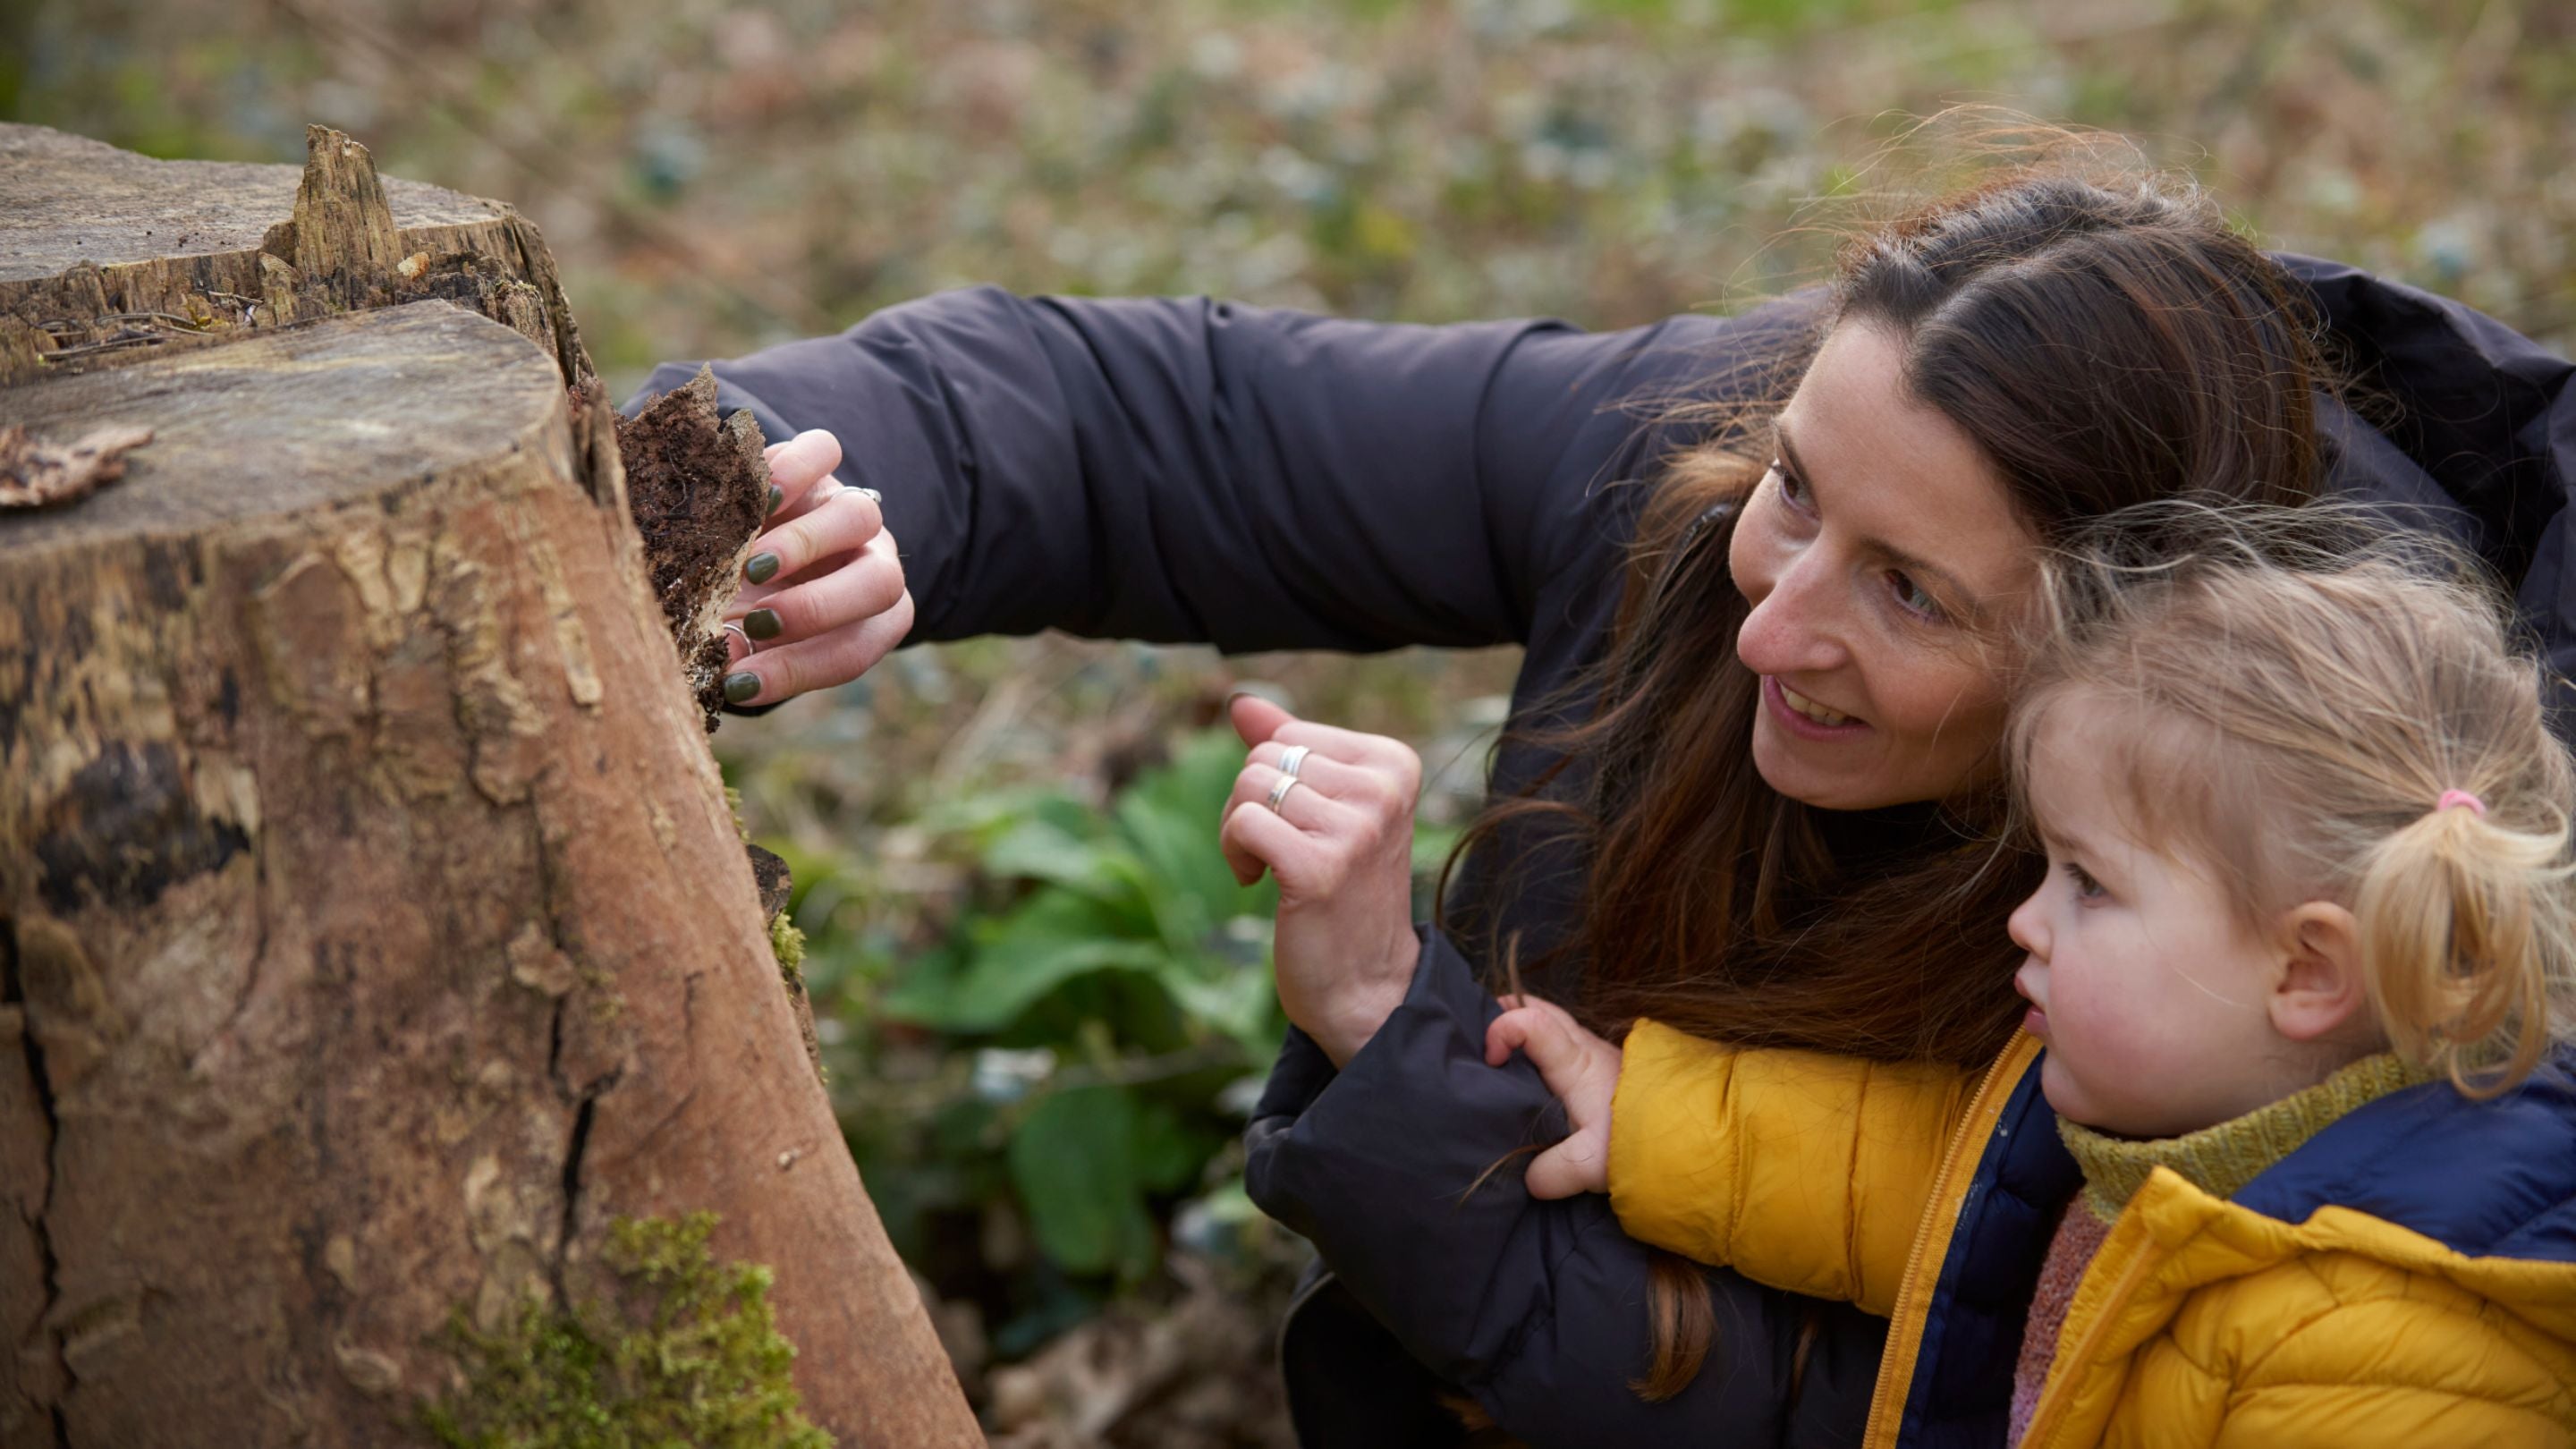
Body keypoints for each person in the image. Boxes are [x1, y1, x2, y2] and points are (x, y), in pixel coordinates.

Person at [623, 142, 2576, 1444]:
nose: (1768, 615)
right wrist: (771, 491)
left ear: (2125, 669)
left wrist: (1399, 1033)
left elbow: (1888, 1381)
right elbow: (1153, 423)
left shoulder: (2297, 937)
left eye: (1904, 594)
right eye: (1800, 485)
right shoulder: (1716, 461)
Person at [1488, 542, 2576, 1446]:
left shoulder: (2393, 1353)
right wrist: (1645, 1111)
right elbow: (1938, 1191)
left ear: (2309, 973)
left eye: (2089, 883)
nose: (2026, 919)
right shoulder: (2177, 1135)